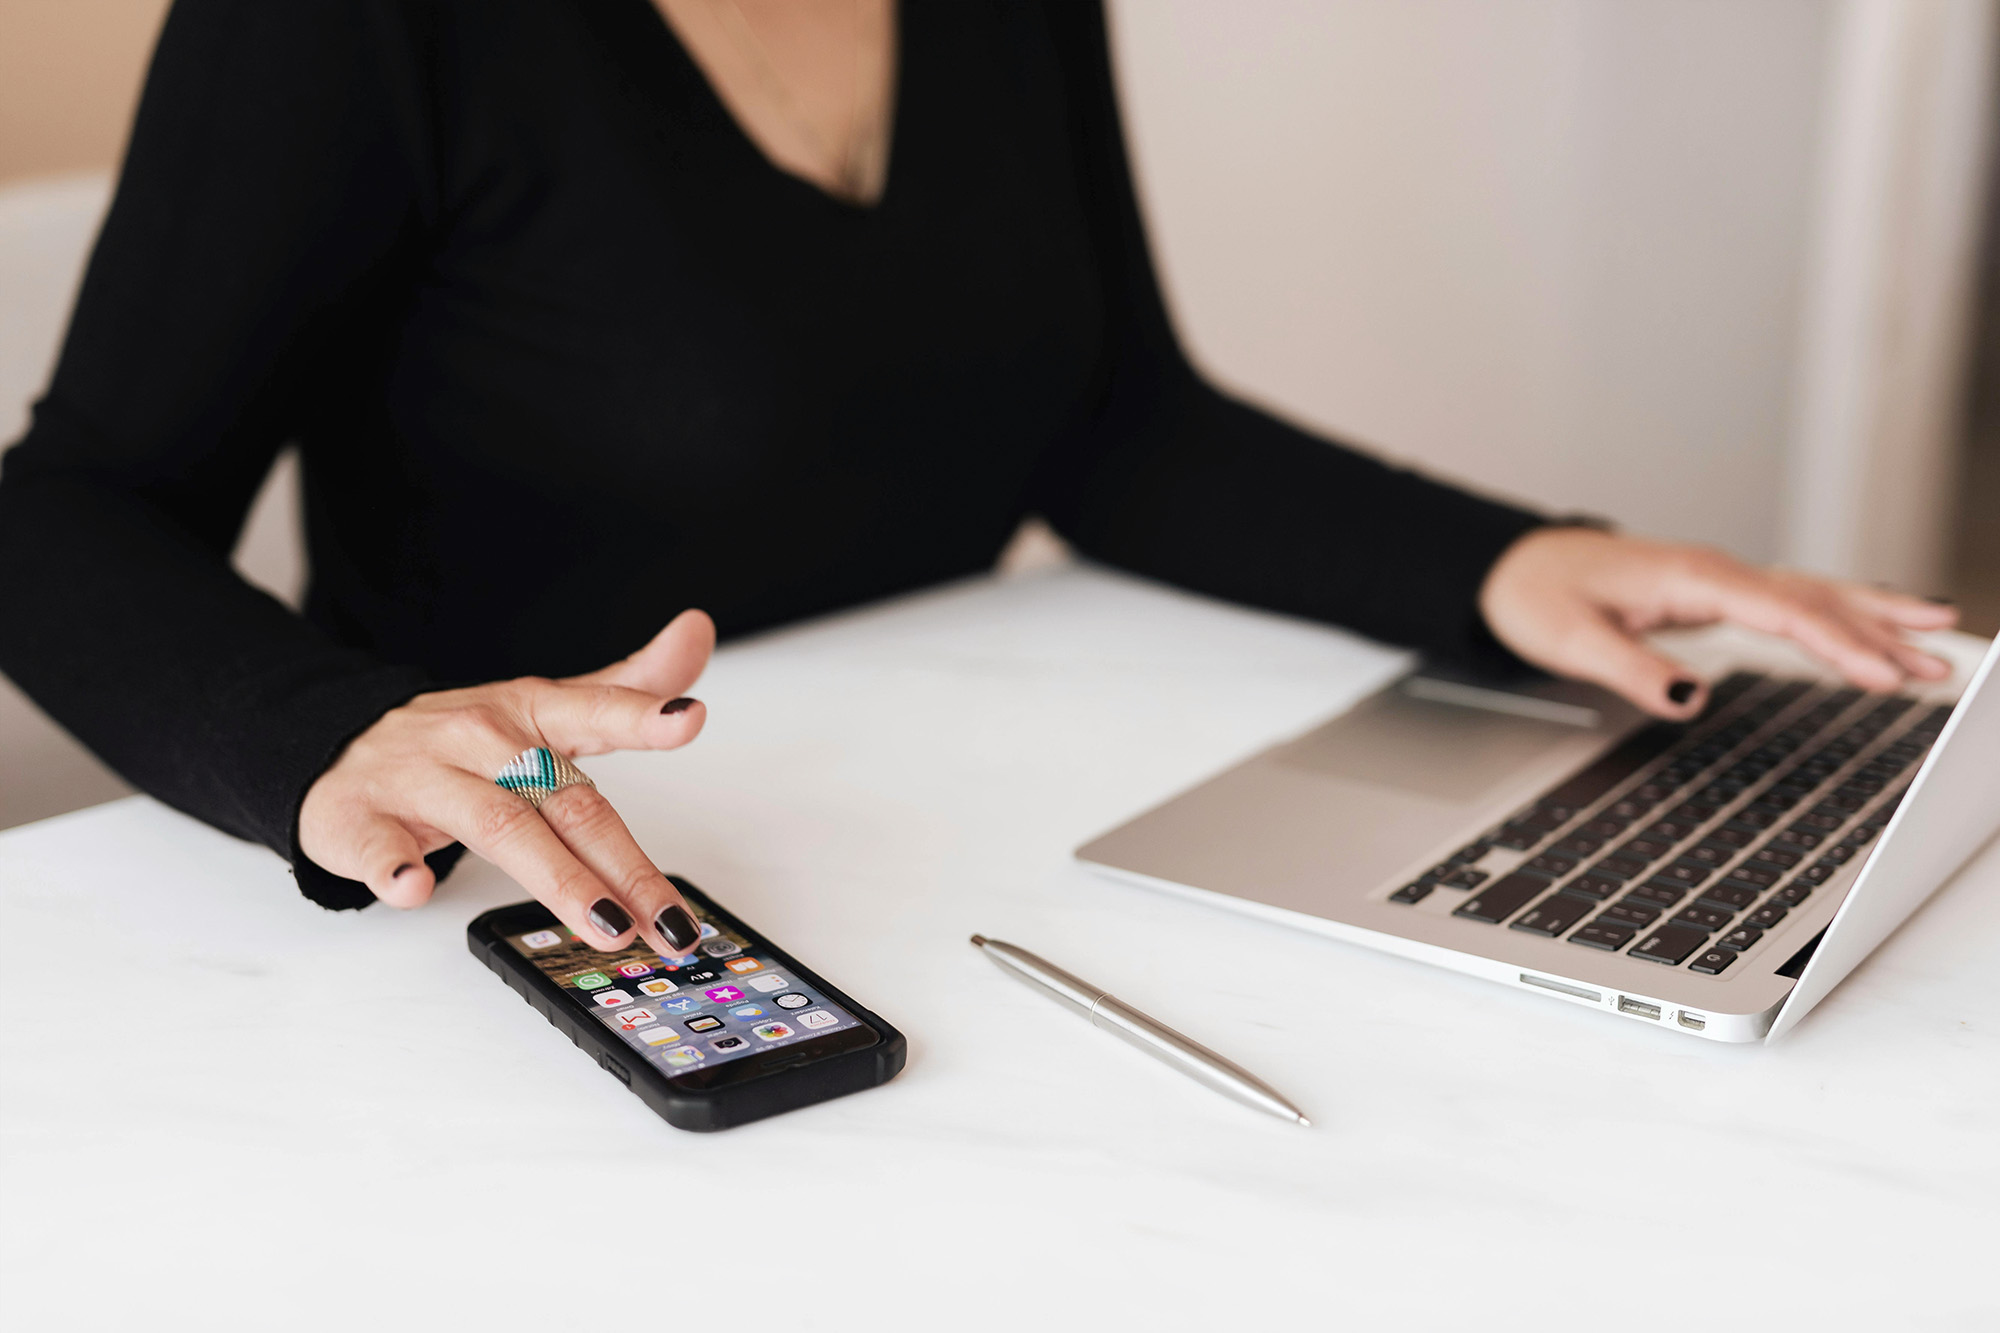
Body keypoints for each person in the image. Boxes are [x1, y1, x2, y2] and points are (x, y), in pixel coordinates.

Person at [0, 0, 1956, 962]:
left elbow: (1106, 416)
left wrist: (1508, 560)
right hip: (551, 920)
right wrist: (328, 735)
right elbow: (65, 510)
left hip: (973, 865)